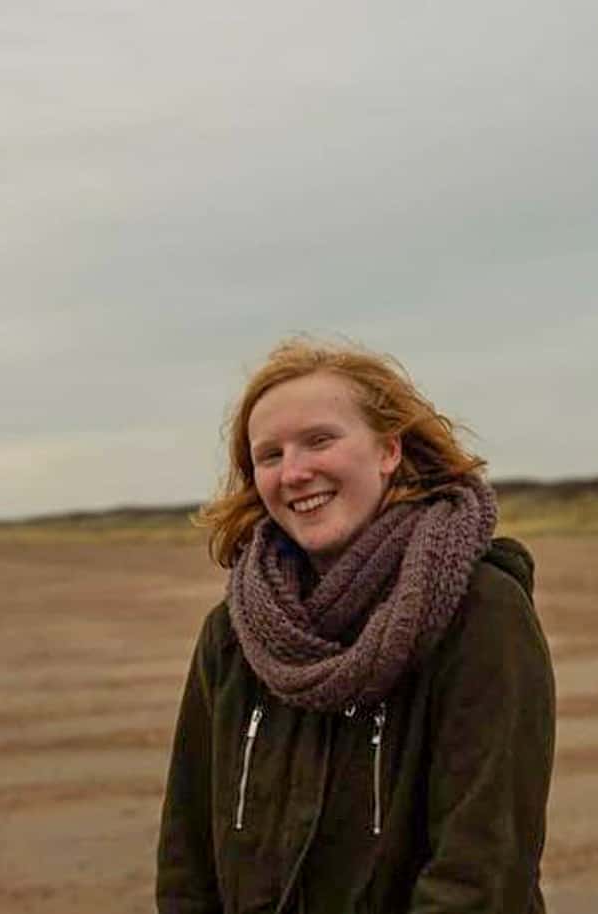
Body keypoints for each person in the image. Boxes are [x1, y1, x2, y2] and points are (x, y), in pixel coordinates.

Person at [156, 338, 555, 914]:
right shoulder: (235, 633)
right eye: (270, 455)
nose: (295, 472)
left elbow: (482, 871)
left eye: (320, 440)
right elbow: (186, 856)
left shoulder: (480, 611)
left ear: (389, 450)